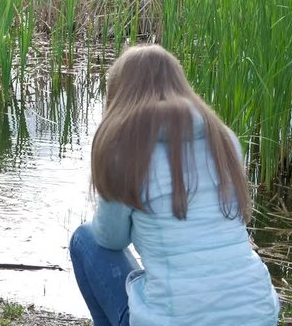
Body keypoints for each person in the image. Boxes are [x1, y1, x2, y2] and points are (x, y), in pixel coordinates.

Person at [69, 44, 280, 325]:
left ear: (119, 95)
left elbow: (110, 239)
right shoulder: (224, 139)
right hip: (259, 315)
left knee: (85, 239)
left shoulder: (123, 152)